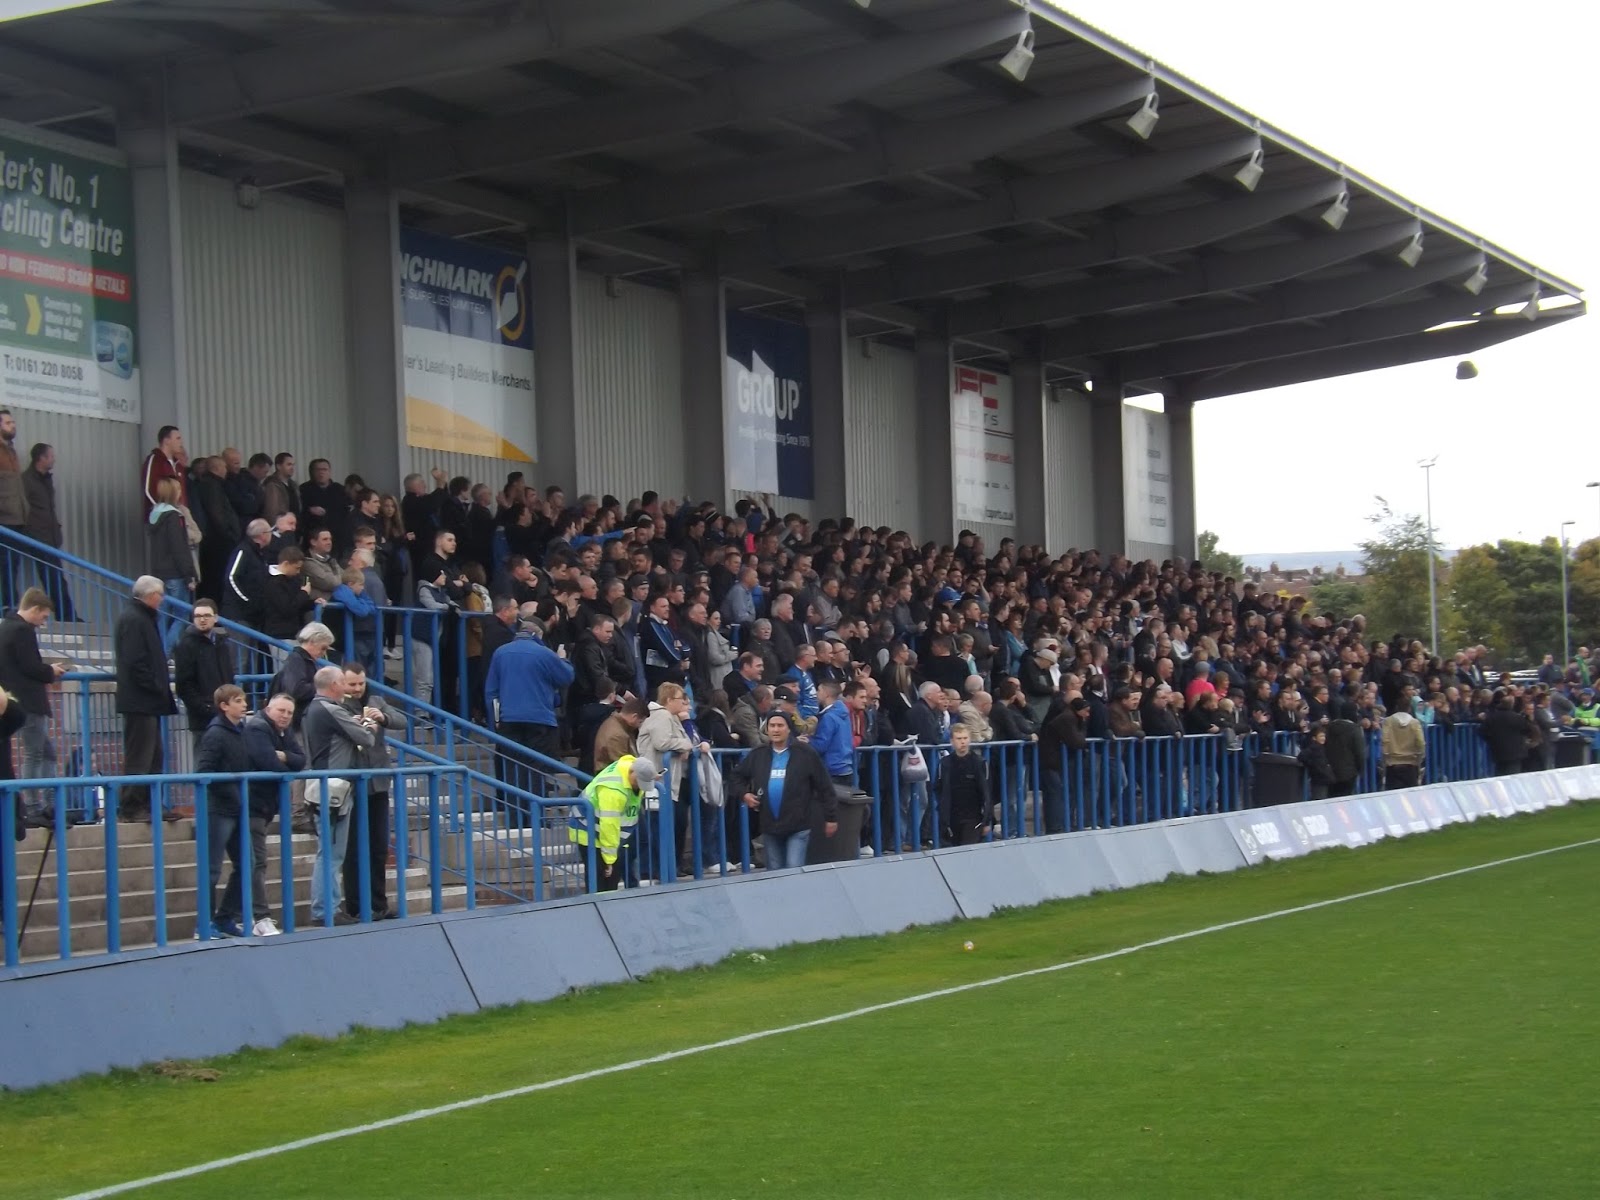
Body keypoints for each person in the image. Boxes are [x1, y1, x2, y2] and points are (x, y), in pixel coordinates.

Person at [196, 685, 279, 938]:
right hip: (218, 809)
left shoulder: (242, 731)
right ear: (224, 706)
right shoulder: (215, 734)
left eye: (243, 700)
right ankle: (204, 924)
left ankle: (225, 918)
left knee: (247, 863)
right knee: (211, 868)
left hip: (238, 808)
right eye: (238, 701)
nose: (244, 705)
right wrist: (231, 787)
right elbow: (204, 771)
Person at [301, 664, 375, 925]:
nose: (347, 687)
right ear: (334, 686)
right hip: (333, 788)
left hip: (325, 785)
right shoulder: (331, 709)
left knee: (330, 853)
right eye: (344, 682)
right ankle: (324, 910)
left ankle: (328, 907)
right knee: (332, 854)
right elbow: (366, 738)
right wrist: (367, 724)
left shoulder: (313, 708)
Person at [484, 608, 574, 807]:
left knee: (513, 768)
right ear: (538, 634)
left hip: (508, 720)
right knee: (536, 770)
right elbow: (566, 677)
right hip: (540, 720)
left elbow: (491, 692)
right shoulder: (545, 653)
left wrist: (495, 722)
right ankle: (534, 815)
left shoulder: (501, 652)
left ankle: (515, 815)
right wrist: (562, 658)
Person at [733, 711, 838, 870]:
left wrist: (831, 817)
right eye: (772, 726)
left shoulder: (805, 753)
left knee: (793, 869)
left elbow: (824, 786)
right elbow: (736, 777)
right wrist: (745, 794)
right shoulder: (758, 754)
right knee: (774, 872)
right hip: (769, 826)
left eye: (780, 726)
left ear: (789, 729)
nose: (776, 730)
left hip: (798, 825)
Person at [235, 692, 303, 934]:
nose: (285, 716)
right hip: (250, 804)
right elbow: (268, 763)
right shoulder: (258, 728)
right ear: (268, 708)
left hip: (263, 805)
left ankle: (243, 914)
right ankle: (257, 916)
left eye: (289, 712)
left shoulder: (282, 731)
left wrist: (284, 756)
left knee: (253, 861)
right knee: (256, 860)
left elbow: (301, 760)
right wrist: (286, 760)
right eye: (281, 711)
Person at [0, 588, 67, 824]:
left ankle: (48, 803)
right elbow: (30, 666)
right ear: (35, 609)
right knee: (35, 753)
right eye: (44, 616)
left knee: (46, 753)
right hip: (28, 702)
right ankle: (33, 806)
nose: (43, 622)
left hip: (15, 701)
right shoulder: (22, 631)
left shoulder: (5, 627)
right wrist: (51, 671)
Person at [114, 576, 177, 822]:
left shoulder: (140, 618)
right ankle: (131, 807)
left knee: (153, 756)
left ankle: (150, 805)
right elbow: (135, 661)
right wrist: (155, 686)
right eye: (160, 595)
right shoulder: (134, 620)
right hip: (140, 700)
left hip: (146, 700)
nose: (161, 600)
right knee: (140, 756)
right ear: (152, 596)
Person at [341, 662, 399, 920]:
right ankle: (355, 905)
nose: (356, 689)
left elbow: (401, 720)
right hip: (351, 785)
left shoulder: (375, 699)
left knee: (378, 846)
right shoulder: (336, 705)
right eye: (351, 684)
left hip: (377, 782)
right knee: (353, 848)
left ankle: (379, 903)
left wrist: (382, 717)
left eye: (360, 683)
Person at [568, 754, 660, 891]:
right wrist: (609, 859)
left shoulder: (631, 768)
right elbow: (608, 826)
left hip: (605, 831)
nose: (640, 787)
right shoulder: (613, 791)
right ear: (632, 773)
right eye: (639, 782)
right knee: (600, 882)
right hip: (590, 831)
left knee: (610, 879)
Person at [173, 598, 235, 755]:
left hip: (225, 714)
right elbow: (184, 685)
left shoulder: (222, 644)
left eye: (207, 615)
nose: (202, 619)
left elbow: (229, 677)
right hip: (202, 720)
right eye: (198, 616)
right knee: (204, 761)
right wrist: (205, 708)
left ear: (216, 618)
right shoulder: (186, 645)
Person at [21, 443, 75, 621]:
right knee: (53, 578)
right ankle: (66, 616)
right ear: (41, 459)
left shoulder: (46, 479)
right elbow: (24, 507)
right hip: (38, 536)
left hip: (50, 536)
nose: (54, 459)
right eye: (51, 456)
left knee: (56, 578)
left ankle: (66, 615)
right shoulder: (27, 480)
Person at [147, 477, 197, 652]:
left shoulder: (154, 515)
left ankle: (160, 650)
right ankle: (164, 653)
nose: (180, 492)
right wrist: (189, 574)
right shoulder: (174, 516)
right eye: (178, 489)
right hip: (176, 574)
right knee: (182, 614)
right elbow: (179, 548)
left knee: (161, 616)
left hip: (158, 574)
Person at [937, 723, 990, 845]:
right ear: (952, 741)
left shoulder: (979, 762)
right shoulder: (945, 763)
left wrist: (987, 820)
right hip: (951, 817)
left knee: (969, 850)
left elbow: (987, 792)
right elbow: (938, 788)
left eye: (965, 738)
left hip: (973, 817)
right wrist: (942, 812)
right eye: (959, 739)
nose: (963, 742)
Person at [1479, 694, 1536, 776]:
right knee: (1513, 776)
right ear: (1512, 705)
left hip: (1498, 751)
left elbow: (1482, 731)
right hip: (1516, 753)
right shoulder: (1517, 717)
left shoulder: (1492, 717)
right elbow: (1527, 730)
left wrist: (1491, 740)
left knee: (1500, 774)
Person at [1380, 687, 1425, 789]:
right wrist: (1419, 757)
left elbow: (1385, 741)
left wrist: (1385, 758)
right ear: (1409, 708)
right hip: (1411, 764)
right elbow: (1420, 742)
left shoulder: (1388, 722)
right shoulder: (1415, 723)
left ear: (1397, 707)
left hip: (1392, 764)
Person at [593, 696, 648, 773]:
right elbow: (624, 765)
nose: (640, 726)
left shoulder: (615, 724)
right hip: (612, 779)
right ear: (634, 716)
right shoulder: (618, 735)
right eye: (640, 722)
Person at [141, 423, 186, 515]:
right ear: (166, 441)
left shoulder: (178, 465)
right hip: (161, 519)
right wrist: (163, 513)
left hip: (179, 517)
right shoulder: (155, 461)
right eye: (178, 438)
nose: (181, 442)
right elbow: (148, 490)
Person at [1324, 718, 1367, 797]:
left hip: (1331, 771)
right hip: (1349, 772)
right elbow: (1359, 752)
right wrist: (1360, 769)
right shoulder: (1354, 729)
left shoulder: (1328, 728)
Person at [1298, 722, 1334, 800]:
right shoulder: (1313, 748)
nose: (1323, 738)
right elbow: (1301, 756)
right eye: (1321, 736)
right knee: (1319, 798)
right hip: (1318, 780)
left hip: (1323, 779)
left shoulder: (1322, 748)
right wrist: (1312, 764)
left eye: (1324, 736)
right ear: (1314, 738)